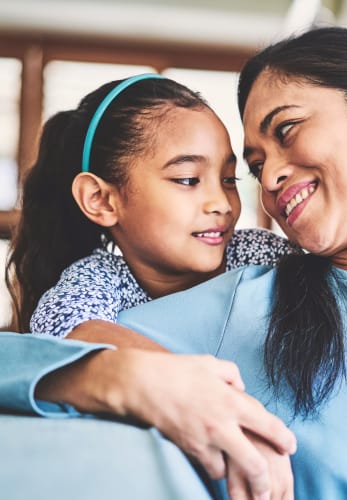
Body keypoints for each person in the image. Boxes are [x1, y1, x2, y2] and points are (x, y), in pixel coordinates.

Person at [113, 26, 347, 498]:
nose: (271, 178)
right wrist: (165, 386)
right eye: (256, 166)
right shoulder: (249, 307)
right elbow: (53, 353)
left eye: (287, 131)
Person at [5, 73, 298, 499]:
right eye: (187, 180)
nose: (222, 203)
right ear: (102, 200)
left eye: (230, 179)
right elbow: (68, 333)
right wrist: (196, 390)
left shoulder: (257, 253)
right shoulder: (102, 278)